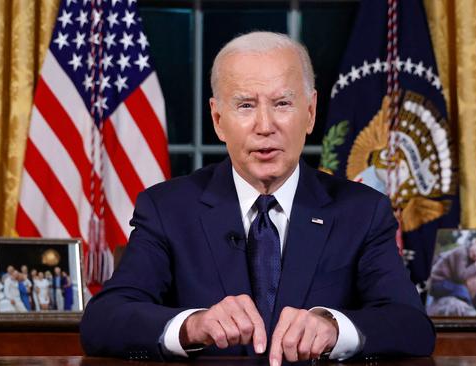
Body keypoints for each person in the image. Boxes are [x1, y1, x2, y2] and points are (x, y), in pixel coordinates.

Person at [80, 31, 434, 362]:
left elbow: (411, 325)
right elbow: (104, 319)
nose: (265, 125)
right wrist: (193, 325)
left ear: (310, 112)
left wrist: (333, 327)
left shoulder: (362, 211)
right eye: (246, 106)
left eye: (282, 103)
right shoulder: (168, 209)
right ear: (218, 119)